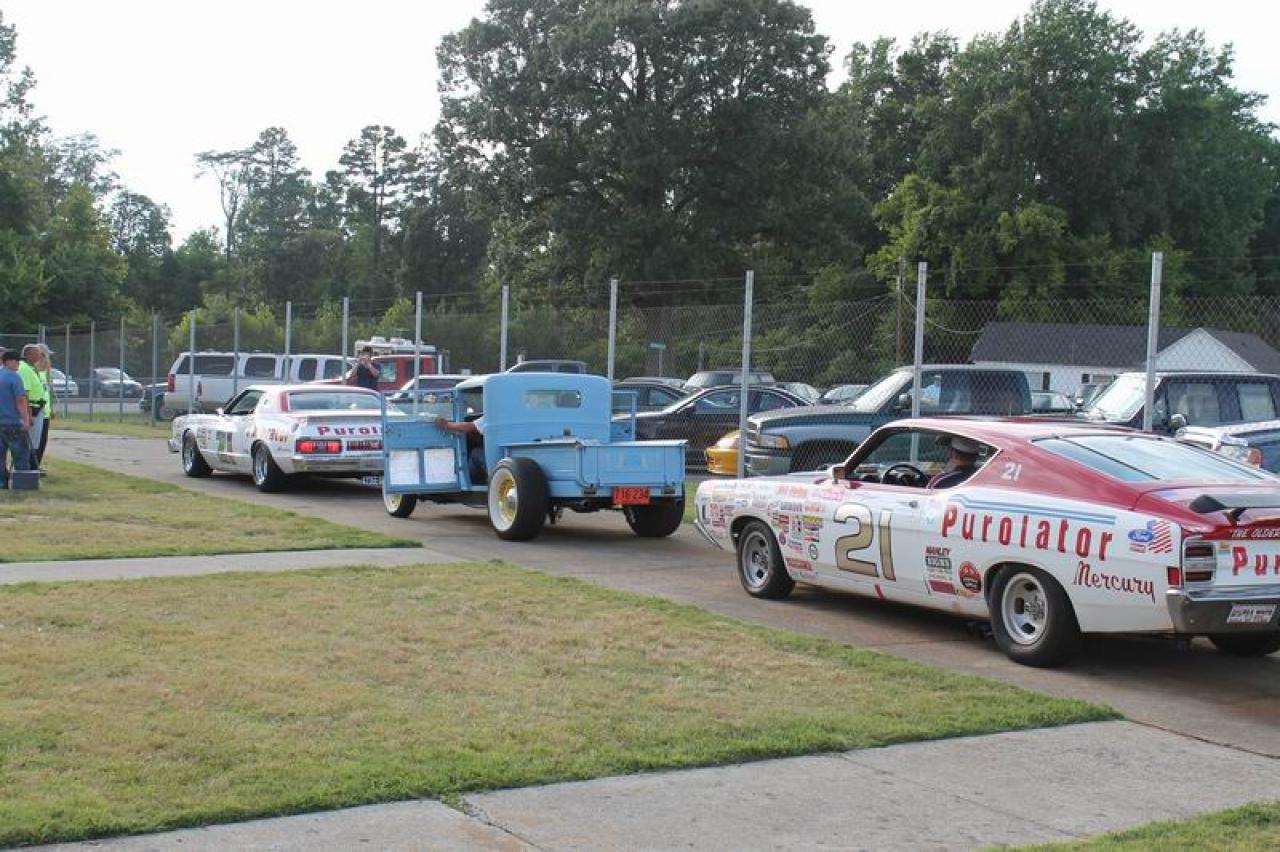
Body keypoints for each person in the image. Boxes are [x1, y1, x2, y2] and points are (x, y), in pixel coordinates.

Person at [0, 349, 33, 488]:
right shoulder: (14, 377)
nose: (19, 364)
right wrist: (26, 420)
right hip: (12, 422)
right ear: (8, 361)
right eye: (16, 361)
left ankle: (2, 482)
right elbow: (20, 400)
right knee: (20, 453)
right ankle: (22, 482)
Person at [17, 344, 48, 472]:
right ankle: (27, 469)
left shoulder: (31, 367)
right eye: (38, 354)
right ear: (29, 355)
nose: (40, 356)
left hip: (37, 408)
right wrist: (28, 416)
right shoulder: (24, 369)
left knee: (35, 442)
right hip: (32, 409)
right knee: (29, 442)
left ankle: (31, 468)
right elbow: (25, 394)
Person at [434, 413, 487, 483]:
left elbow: (471, 426)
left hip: (496, 462)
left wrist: (447, 425)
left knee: (475, 452)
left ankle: (469, 481)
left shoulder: (493, 416)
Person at [33, 344, 54, 468]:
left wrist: (51, 409)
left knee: (42, 440)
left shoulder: (47, 371)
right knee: (36, 441)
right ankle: (32, 465)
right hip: (36, 411)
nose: (47, 359)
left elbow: (48, 393)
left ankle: (37, 465)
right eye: (45, 356)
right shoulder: (33, 371)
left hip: (45, 411)